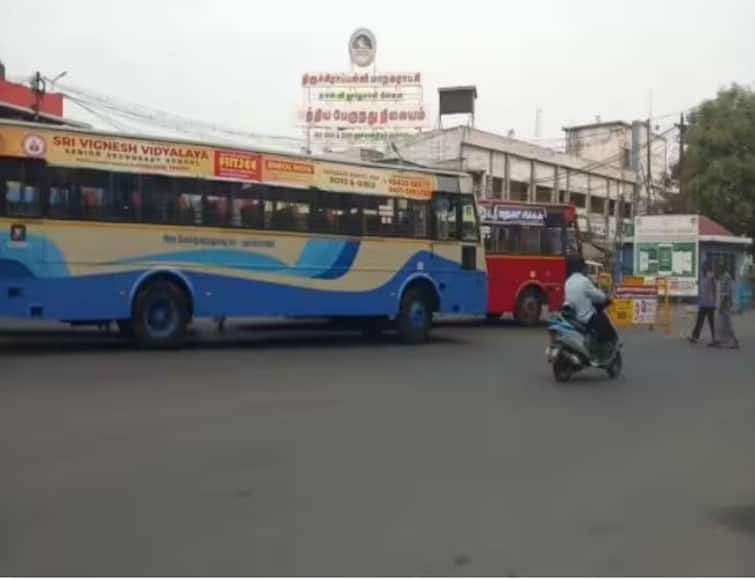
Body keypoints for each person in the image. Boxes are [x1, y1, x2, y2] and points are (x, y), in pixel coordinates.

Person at [564, 255, 616, 360]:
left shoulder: (568, 281)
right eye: (585, 268)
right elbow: (598, 296)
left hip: (572, 316)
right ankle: (601, 354)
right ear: (582, 268)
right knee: (607, 331)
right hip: (585, 317)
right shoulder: (584, 281)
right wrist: (606, 298)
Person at [689, 265, 718, 345]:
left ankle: (715, 338)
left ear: (707, 269)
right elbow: (701, 290)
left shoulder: (711, 278)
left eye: (704, 269)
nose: (703, 271)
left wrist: (715, 303)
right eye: (703, 269)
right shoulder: (702, 278)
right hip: (702, 304)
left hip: (710, 304)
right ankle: (694, 337)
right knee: (699, 321)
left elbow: (715, 290)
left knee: (711, 322)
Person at [715, 264, 740, 349]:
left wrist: (721, 305)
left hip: (726, 305)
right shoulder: (723, 277)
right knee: (722, 323)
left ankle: (734, 341)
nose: (716, 271)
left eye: (718, 269)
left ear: (722, 269)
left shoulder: (727, 278)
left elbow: (727, 294)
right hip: (724, 304)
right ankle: (722, 340)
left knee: (727, 323)